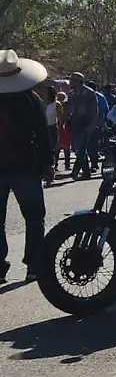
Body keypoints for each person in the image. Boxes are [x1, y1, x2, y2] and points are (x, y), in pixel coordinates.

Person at [0, 50, 52, 283]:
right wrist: (48, 164)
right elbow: (43, 136)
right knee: (34, 216)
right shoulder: (31, 100)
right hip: (25, 167)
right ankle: (34, 264)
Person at [66, 72, 98, 180]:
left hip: (86, 124)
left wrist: (92, 125)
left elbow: (95, 111)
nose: (70, 82)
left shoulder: (89, 93)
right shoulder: (71, 95)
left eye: (72, 80)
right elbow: (70, 110)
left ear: (78, 81)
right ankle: (86, 172)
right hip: (76, 125)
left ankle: (75, 172)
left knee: (81, 148)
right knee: (79, 149)